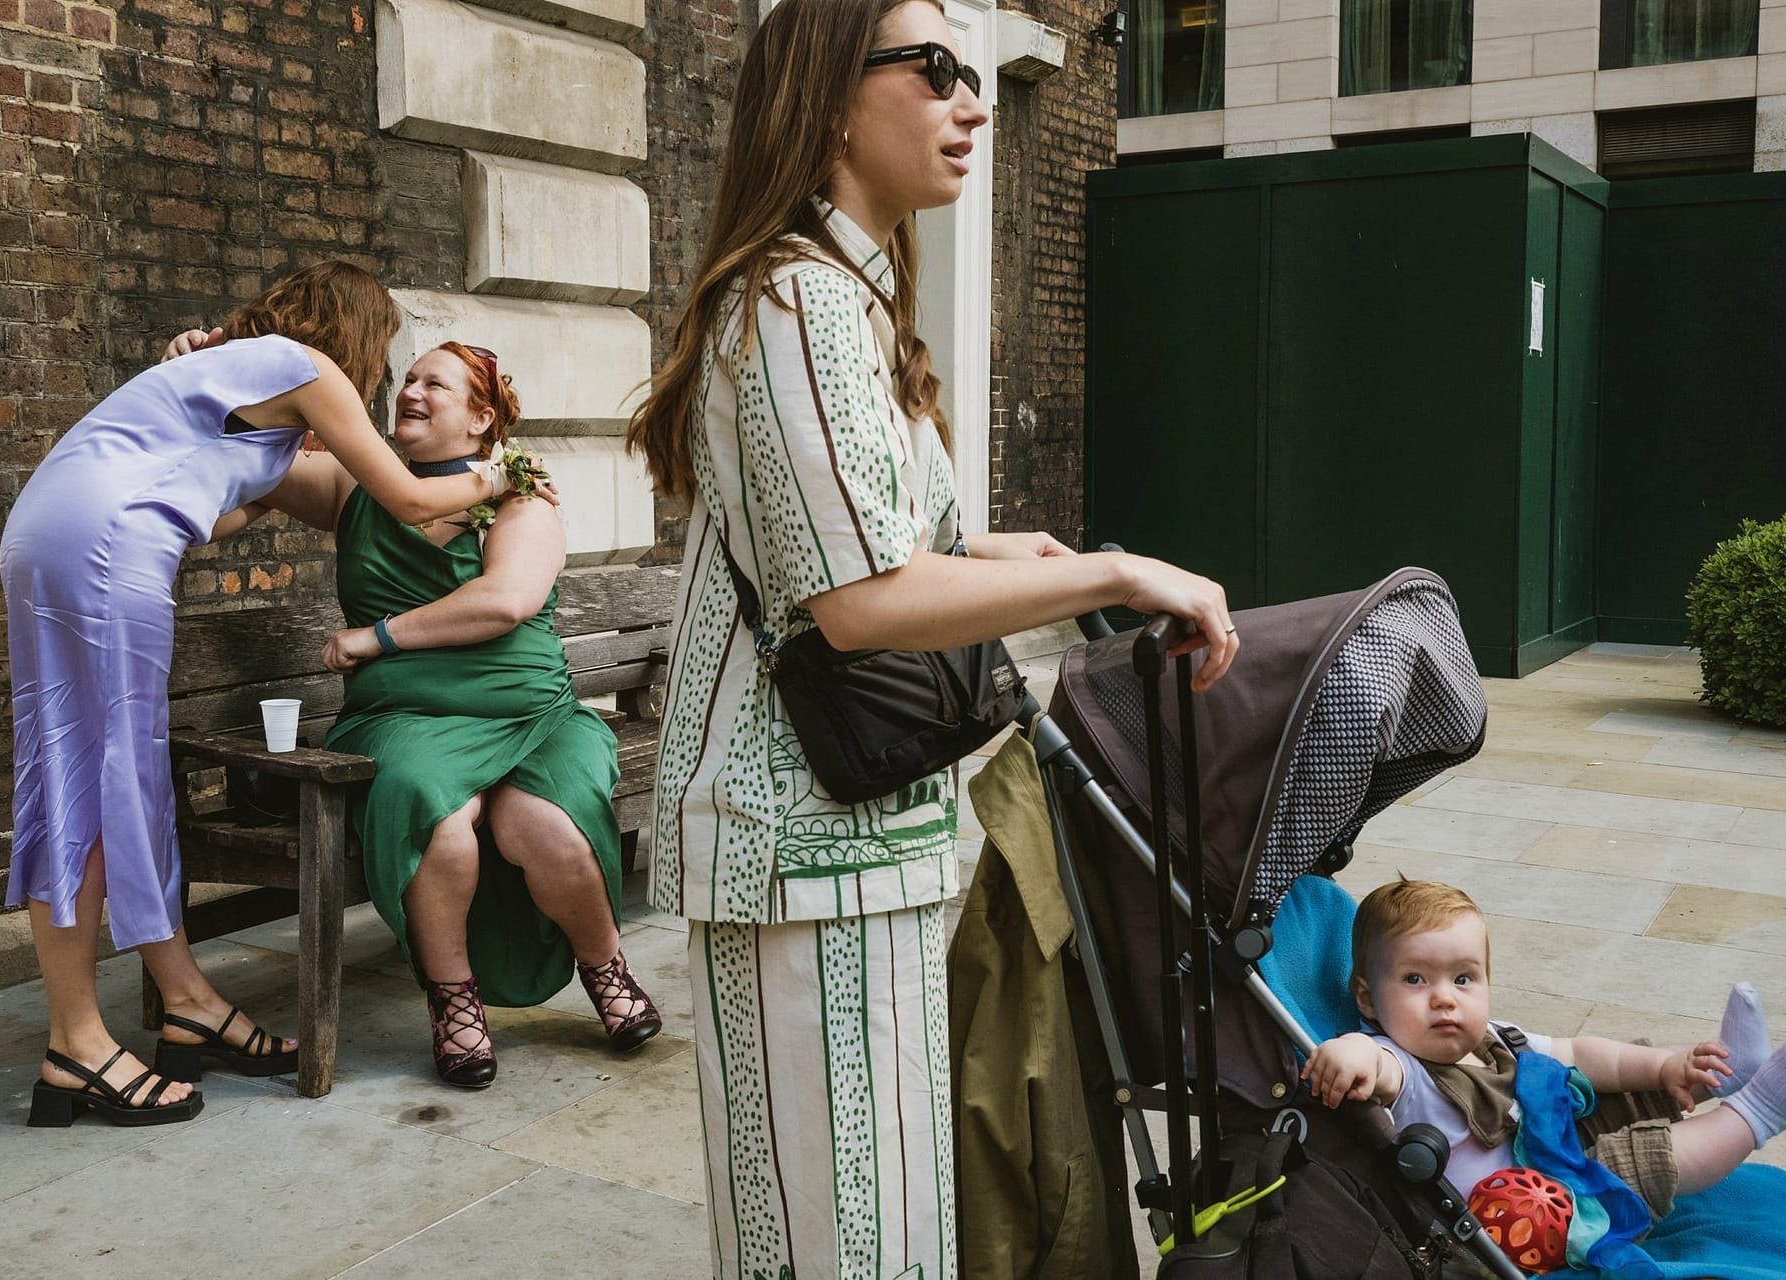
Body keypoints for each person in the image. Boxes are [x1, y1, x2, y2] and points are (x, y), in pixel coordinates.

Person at [622, 1, 1238, 1273]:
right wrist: (1122, 567)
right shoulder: (796, 298)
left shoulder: (838, 294)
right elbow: (861, 602)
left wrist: (1048, 561)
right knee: (843, 1237)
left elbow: (893, 548)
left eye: (977, 72)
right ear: (832, 96)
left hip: (861, 836)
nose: (977, 101)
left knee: (876, 1223)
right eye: (939, 71)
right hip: (803, 847)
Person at [3, 261, 518, 1128]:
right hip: (105, 547)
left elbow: (218, 512)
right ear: (357, 332)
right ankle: (77, 1045)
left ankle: (187, 1002)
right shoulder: (304, 370)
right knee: (96, 787)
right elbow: (405, 497)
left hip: (50, 531)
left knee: (87, 776)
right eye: (386, 349)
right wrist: (502, 478)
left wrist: (282, 453)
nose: (386, 372)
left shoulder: (236, 366)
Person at [164, 332, 662, 1087]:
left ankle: (605, 969)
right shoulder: (351, 488)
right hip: (406, 722)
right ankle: (453, 1004)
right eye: (407, 380)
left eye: (436, 385)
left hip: (532, 717)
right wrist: (200, 370)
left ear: (482, 420)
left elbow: (505, 601)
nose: (410, 391)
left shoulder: (524, 499)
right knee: (437, 820)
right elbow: (240, 465)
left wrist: (377, 636)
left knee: (546, 825)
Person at [1304, 878, 1786, 1223]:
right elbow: (1378, 1068)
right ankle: (1757, 1111)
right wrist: (1349, 1050)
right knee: (1635, 1160)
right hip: (1528, 1217)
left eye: (1464, 977)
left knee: (1607, 1087)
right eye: (1415, 979)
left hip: (1551, 1154)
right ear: (1367, 997)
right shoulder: (1401, 1062)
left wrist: (1665, 1066)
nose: (1445, 997)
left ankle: (1720, 1071)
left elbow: (1582, 1053)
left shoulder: (1497, 1038)